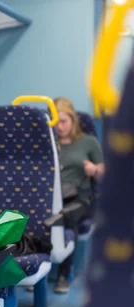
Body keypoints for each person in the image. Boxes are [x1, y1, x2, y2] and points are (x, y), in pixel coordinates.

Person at [53, 97, 104, 294]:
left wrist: (94, 169)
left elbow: (105, 171)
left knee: (66, 217)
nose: (59, 126)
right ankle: (39, 270)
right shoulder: (48, 142)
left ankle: (63, 275)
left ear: (73, 121)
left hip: (79, 199)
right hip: (52, 198)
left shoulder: (88, 142)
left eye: (64, 121)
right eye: (55, 121)